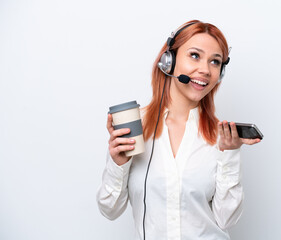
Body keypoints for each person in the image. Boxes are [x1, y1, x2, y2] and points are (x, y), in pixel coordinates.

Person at [97, 20, 261, 240]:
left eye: (215, 62)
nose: (205, 70)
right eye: (195, 55)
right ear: (169, 61)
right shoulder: (137, 127)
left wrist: (229, 155)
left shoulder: (220, 137)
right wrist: (118, 163)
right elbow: (110, 209)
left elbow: (226, 219)